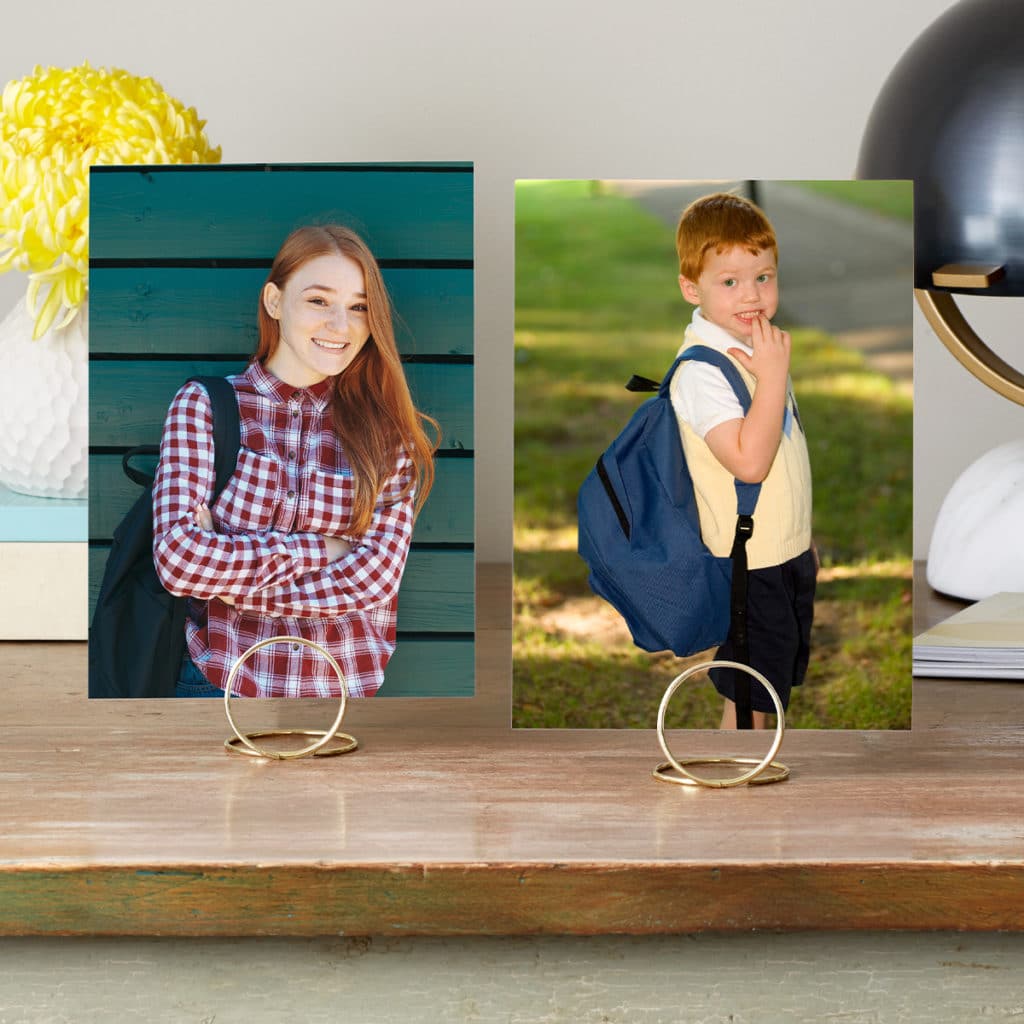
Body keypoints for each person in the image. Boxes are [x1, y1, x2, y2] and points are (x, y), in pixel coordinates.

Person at [152, 224, 438, 698]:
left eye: (359, 307)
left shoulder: (388, 435)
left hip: (343, 696)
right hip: (218, 684)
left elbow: (376, 578)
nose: (340, 326)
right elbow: (180, 562)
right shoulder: (205, 406)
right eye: (319, 301)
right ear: (274, 302)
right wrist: (325, 551)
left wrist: (227, 585)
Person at [670, 192, 816, 728]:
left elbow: (785, 455)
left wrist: (801, 537)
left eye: (763, 277)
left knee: (769, 688)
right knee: (755, 698)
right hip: (747, 565)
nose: (751, 295)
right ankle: (739, 778)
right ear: (692, 287)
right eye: (729, 282)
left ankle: (749, 771)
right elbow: (750, 464)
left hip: (781, 552)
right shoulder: (703, 371)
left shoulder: (756, 347)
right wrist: (773, 375)